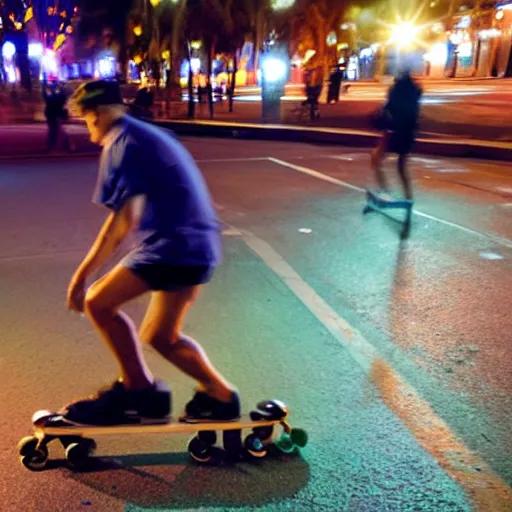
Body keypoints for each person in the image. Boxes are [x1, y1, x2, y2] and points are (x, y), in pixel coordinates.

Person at [60, 79, 240, 426]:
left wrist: (82, 277)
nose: (87, 127)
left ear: (97, 114)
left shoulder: (121, 142)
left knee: (97, 301)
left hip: (173, 245)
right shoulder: (141, 133)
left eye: (85, 119)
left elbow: (121, 223)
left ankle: (140, 393)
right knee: (161, 337)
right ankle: (220, 395)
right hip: (196, 244)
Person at [370, 69, 422, 200]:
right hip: (408, 133)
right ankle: (408, 197)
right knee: (401, 167)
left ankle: (384, 189)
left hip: (392, 131)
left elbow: (388, 109)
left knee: (376, 159)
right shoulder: (415, 90)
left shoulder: (395, 90)